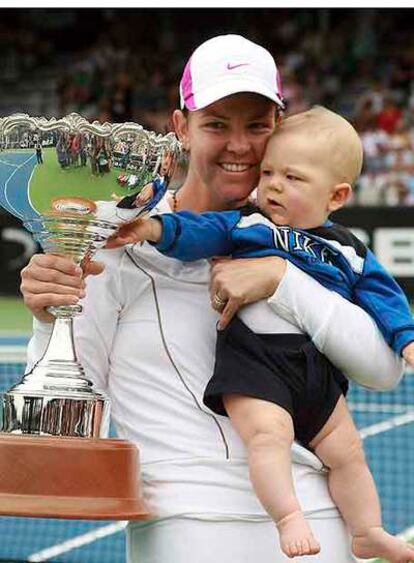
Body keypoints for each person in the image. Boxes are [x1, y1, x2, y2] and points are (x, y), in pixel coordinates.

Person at [21, 35, 404, 563]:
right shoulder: (117, 244)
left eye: (257, 124)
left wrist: (282, 281)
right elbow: (66, 405)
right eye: (217, 124)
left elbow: (382, 370)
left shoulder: (304, 245)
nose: (241, 145)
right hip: (185, 527)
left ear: (279, 127)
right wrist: (48, 319)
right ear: (181, 128)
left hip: (317, 522)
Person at [107, 106, 414, 561]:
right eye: (268, 171)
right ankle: (288, 516)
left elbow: (384, 297)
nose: (272, 184)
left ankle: (367, 529)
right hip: (255, 369)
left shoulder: (348, 249)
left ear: (337, 195)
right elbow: (198, 230)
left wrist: (406, 339)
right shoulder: (248, 223)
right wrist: (153, 227)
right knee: (268, 437)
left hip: (316, 379)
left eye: (293, 178)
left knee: (348, 451)